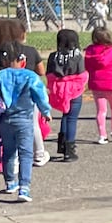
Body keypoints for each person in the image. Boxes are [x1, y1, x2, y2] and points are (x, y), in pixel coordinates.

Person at [0, 42, 50, 202]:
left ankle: (10, 182)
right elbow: (40, 95)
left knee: (8, 152)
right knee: (26, 153)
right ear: (22, 60)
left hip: (5, 119)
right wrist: (45, 111)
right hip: (24, 119)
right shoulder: (30, 76)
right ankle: (24, 188)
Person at [0, 18, 46, 167]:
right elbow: (41, 71)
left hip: (5, 94)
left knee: (7, 125)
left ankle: (13, 157)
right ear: (21, 34)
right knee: (32, 124)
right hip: (28, 92)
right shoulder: (31, 51)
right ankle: (39, 154)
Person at [45, 28, 88, 163]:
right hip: (74, 90)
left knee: (65, 114)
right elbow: (82, 74)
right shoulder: (77, 56)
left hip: (59, 89)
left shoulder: (53, 56)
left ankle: (62, 145)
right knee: (72, 119)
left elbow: (49, 74)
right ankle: (70, 150)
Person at [84, 27, 112, 144]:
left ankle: (102, 135)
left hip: (97, 83)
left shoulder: (90, 50)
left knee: (101, 110)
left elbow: (87, 66)